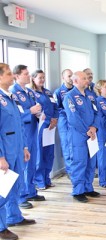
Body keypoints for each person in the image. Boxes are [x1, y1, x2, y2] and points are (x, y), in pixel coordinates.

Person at [0, 63, 36, 240]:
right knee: (2, 190)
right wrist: (0, 157)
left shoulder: (10, 97)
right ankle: (1, 227)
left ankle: (14, 216)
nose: (12, 76)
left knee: (15, 186)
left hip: (16, 148)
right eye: (8, 74)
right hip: (5, 151)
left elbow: (19, 124)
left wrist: (24, 147)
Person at [11, 65, 44, 210]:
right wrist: (29, 111)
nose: (28, 76)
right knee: (23, 164)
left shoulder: (29, 92)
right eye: (25, 74)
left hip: (32, 129)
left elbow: (34, 108)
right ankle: (21, 196)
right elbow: (16, 114)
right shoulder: (14, 92)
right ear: (17, 76)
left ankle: (31, 190)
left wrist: (37, 112)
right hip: (23, 131)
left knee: (32, 162)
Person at [63, 71, 100, 203]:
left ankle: (88, 187)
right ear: (76, 81)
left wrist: (94, 127)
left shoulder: (90, 96)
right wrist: (86, 130)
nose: (87, 80)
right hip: (78, 135)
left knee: (91, 162)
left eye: (87, 78)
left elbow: (97, 112)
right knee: (80, 162)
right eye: (84, 78)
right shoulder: (70, 97)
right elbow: (73, 118)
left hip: (92, 133)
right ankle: (78, 191)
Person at [31, 70, 59, 190]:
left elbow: (55, 107)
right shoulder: (31, 93)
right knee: (40, 154)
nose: (42, 80)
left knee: (49, 154)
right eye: (40, 78)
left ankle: (47, 178)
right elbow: (32, 110)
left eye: (43, 77)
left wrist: (55, 119)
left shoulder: (48, 92)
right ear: (33, 79)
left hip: (50, 127)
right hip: (39, 127)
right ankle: (39, 180)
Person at [54, 69, 74, 175]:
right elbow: (56, 108)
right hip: (64, 120)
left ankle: (77, 170)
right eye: (69, 76)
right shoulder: (58, 92)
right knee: (66, 145)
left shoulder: (76, 90)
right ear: (63, 78)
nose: (71, 78)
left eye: (72, 76)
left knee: (76, 146)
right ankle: (70, 171)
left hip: (75, 121)